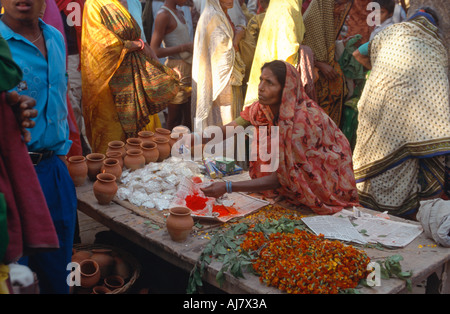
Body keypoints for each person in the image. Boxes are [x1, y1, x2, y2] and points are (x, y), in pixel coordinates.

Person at [200, 60, 359, 215]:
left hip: (324, 179)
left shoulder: (302, 121)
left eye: (270, 83)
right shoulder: (262, 109)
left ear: (286, 89)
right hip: (281, 179)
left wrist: (228, 187)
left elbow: (282, 177)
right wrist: (194, 139)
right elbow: (231, 128)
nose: (261, 88)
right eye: (261, 80)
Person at [0, 0, 78, 293]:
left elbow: (61, 102)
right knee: (16, 278)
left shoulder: (55, 38)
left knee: (59, 272)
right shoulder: (0, 45)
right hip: (12, 179)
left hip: (54, 171)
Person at [352, 7, 450, 218]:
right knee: (417, 145)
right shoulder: (434, 46)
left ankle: (370, 207)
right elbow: (438, 100)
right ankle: (406, 213)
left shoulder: (389, 32)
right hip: (410, 116)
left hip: (377, 105)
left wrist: (379, 70)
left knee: (377, 152)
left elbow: (358, 52)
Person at [81, 0, 180, 154]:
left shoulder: (133, 3)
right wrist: (133, 45)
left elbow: (143, 41)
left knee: (144, 144)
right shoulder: (95, 4)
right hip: (111, 85)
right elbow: (100, 47)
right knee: (114, 147)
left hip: (137, 79)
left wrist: (161, 69)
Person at [191, 0, 246, 129]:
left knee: (227, 121)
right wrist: (238, 36)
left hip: (227, 79)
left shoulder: (221, 14)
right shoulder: (213, 16)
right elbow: (224, 52)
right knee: (223, 119)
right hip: (220, 81)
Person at [243, 0, 308, 107]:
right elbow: (288, 53)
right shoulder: (286, 8)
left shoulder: (280, 4)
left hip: (270, 75)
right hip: (276, 80)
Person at [301, 0, 354, 127]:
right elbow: (301, 52)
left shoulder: (327, 18)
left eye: (343, 5)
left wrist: (343, 44)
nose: (342, 9)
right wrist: (320, 64)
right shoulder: (311, 20)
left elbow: (326, 47)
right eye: (339, 5)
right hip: (315, 82)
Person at [151, 0, 193, 130]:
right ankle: (169, 148)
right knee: (174, 117)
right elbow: (155, 50)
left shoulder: (180, 11)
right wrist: (184, 47)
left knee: (188, 116)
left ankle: (186, 147)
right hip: (176, 70)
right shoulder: (163, 15)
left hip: (188, 67)